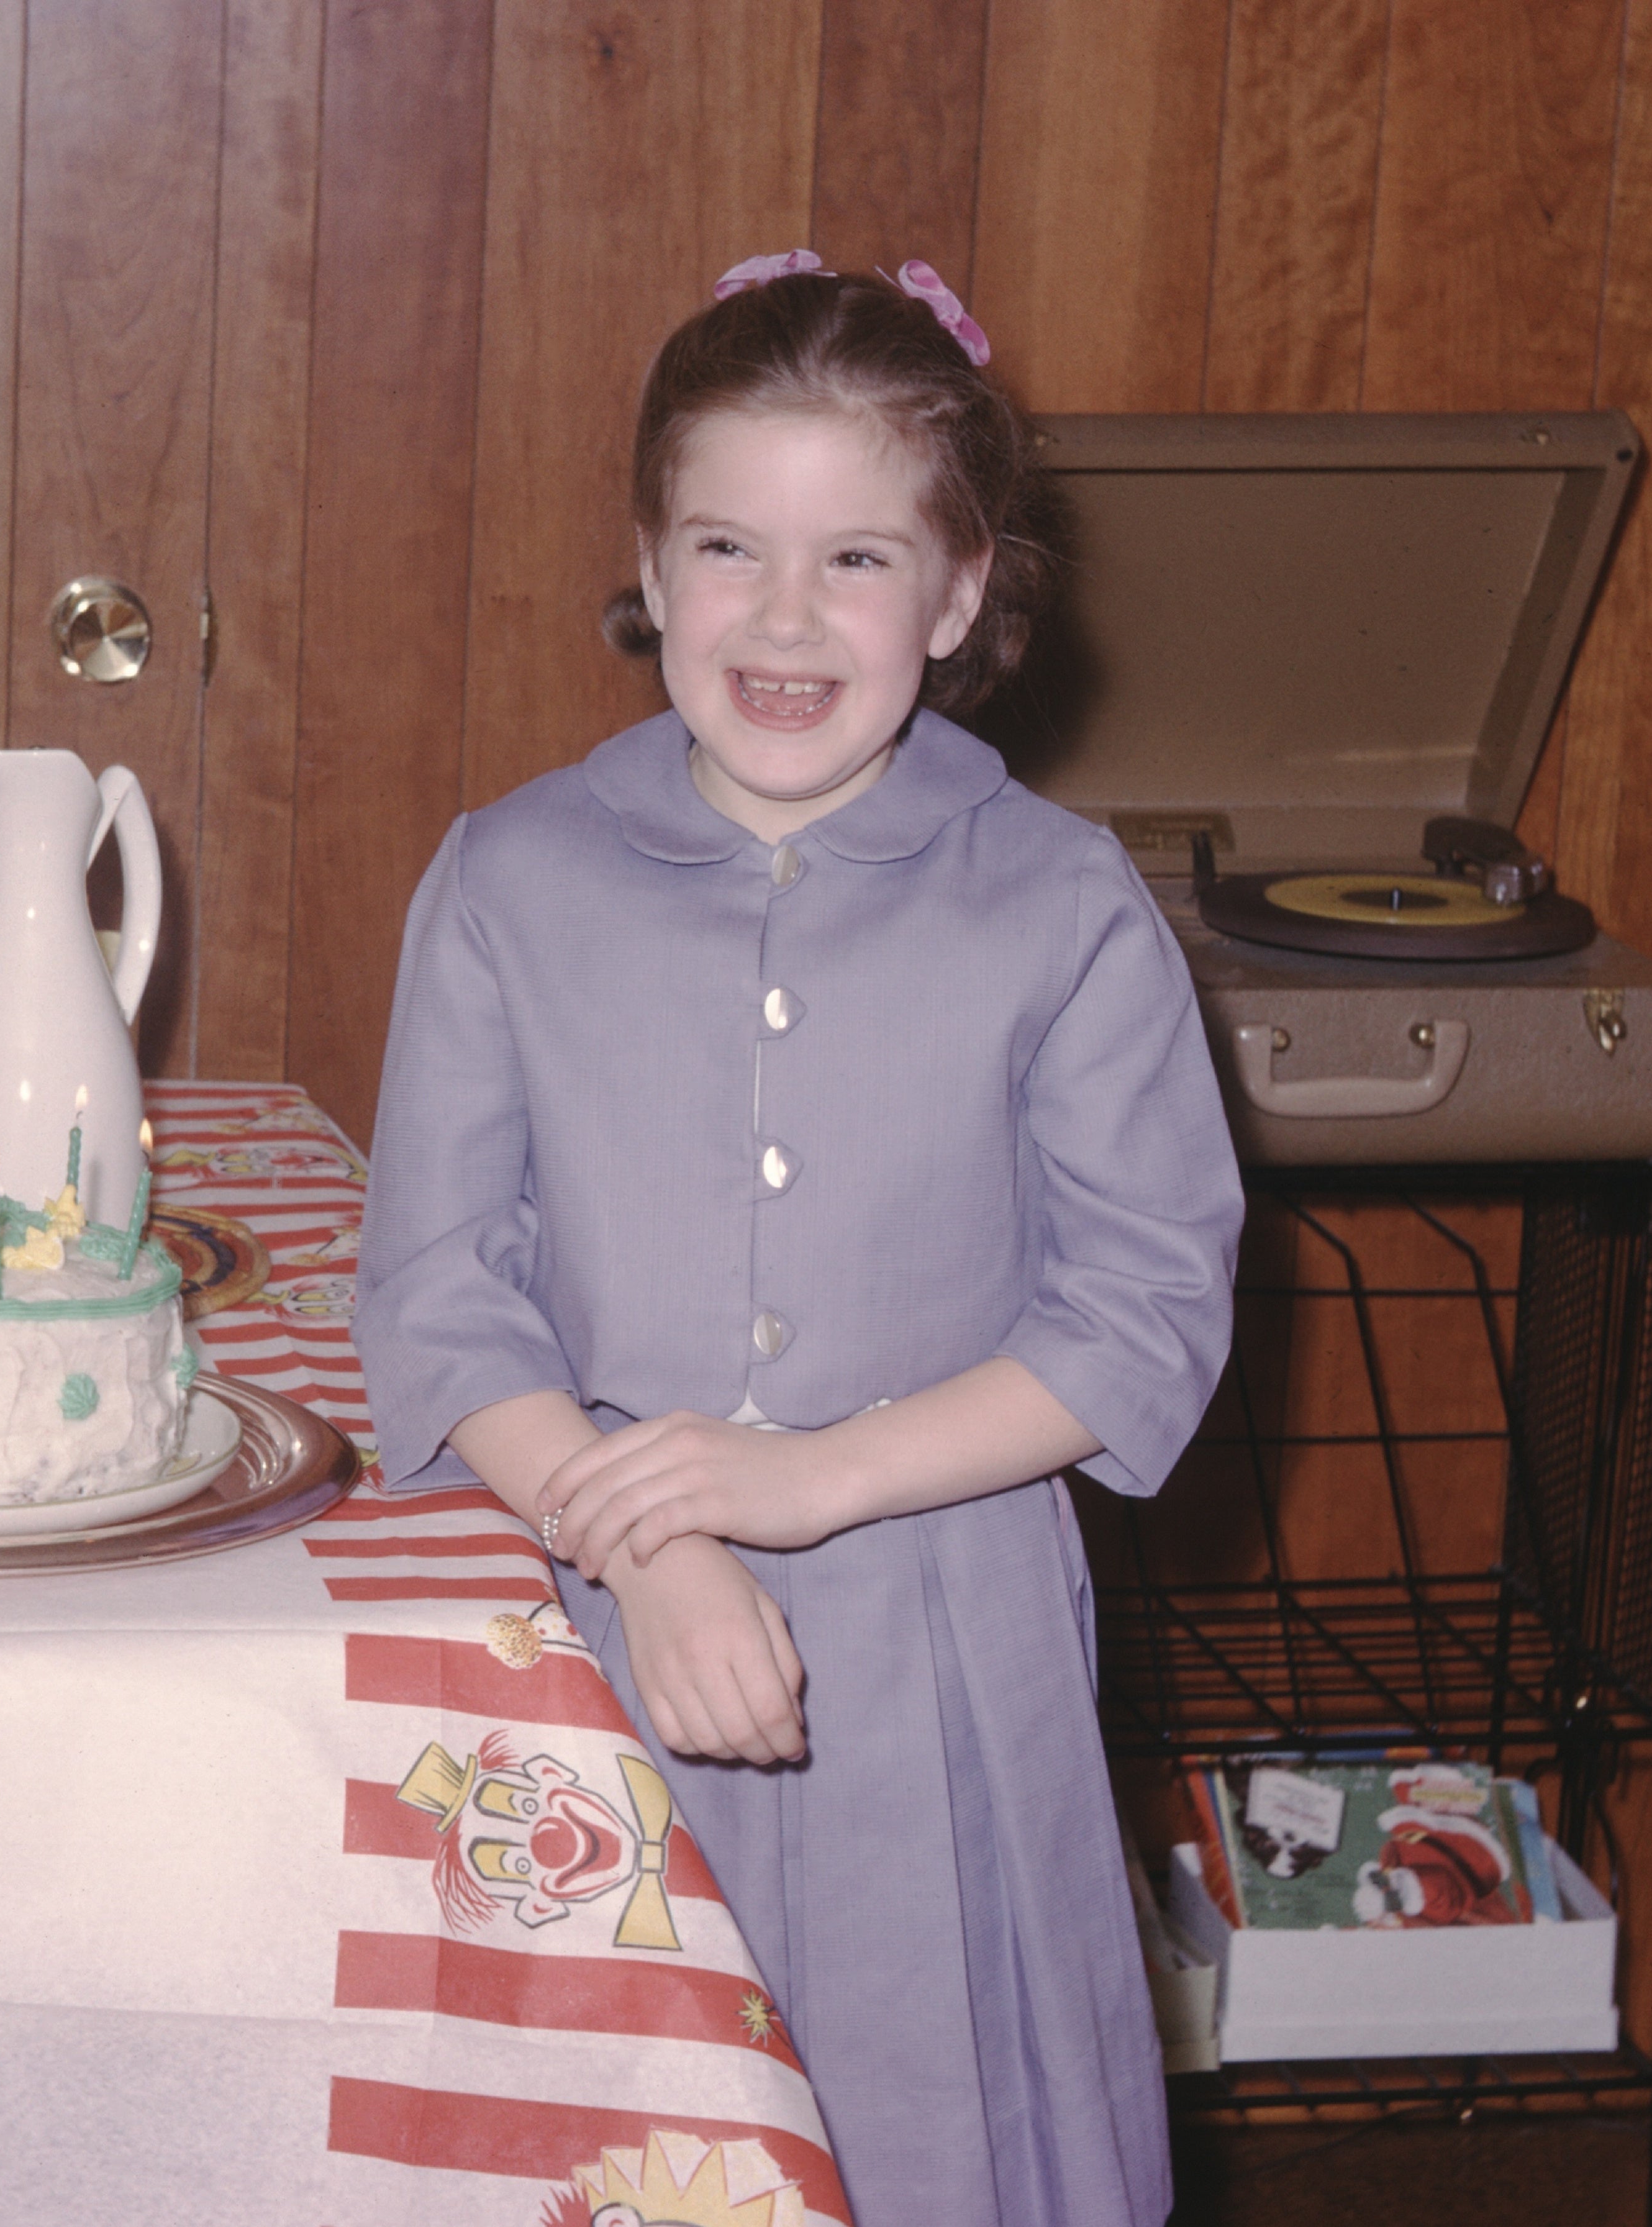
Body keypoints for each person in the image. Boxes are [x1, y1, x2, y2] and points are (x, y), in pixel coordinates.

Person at [357, 251, 1245, 2226]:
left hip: (944, 1661)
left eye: (855, 561)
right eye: (727, 547)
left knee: (935, 2141)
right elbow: (435, 1289)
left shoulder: (1063, 902)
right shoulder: (509, 878)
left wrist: (806, 1476)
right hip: (581, 1644)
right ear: (652, 571)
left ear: (955, 594)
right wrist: (660, 1535)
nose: (780, 614)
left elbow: (1140, 1309)